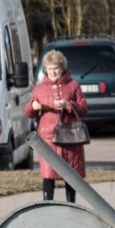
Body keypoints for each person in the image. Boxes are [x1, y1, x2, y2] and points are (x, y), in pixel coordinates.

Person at [30, 49, 89, 203]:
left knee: (71, 174)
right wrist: (34, 106)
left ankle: (71, 204)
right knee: (48, 174)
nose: (53, 72)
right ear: (45, 70)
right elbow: (28, 111)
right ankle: (48, 204)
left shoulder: (73, 85)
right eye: (50, 69)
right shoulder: (39, 88)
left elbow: (84, 108)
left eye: (56, 68)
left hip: (71, 137)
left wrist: (68, 104)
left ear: (62, 68)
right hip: (48, 137)